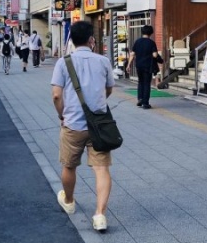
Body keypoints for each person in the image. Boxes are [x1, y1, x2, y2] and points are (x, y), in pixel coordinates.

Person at [51, 21, 115, 232]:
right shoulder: (103, 61)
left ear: (71, 40)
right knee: (101, 168)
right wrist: (97, 104)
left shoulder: (63, 62)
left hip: (73, 124)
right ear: (91, 40)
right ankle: (100, 216)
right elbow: (108, 90)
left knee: (69, 166)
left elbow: (56, 95)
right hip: (99, 124)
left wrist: (62, 114)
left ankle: (69, 201)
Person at [125, 25, 160, 109]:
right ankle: (145, 103)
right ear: (151, 33)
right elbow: (155, 55)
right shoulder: (151, 43)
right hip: (147, 66)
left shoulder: (137, 42)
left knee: (140, 82)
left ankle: (140, 99)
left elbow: (132, 54)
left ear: (142, 32)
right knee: (147, 83)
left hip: (139, 66)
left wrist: (128, 65)